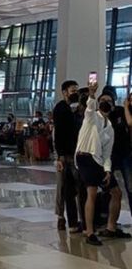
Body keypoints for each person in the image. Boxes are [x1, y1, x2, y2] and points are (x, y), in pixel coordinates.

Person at [75, 84, 131, 246]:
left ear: (113, 106)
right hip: (85, 157)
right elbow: (89, 107)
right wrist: (92, 94)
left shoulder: (110, 128)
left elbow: (107, 153)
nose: (106, 103)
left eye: (109, 101)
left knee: (116, 192)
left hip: (99, 161)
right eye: (103, 100)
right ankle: (90, 232)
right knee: (91, 192)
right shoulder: (91, 117)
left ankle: (111, 227)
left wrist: (107, 171)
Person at [53, 79, 83, 233]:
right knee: (62, 186)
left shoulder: (77, 109)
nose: (75, 93)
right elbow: (58, 134)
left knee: (74, 187)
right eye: (72, 90)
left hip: (76, 153)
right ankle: (60, 217)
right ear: (64, 92)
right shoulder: (61, 108)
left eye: (76, 90)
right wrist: (59, 156)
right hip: (65, 154)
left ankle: (76, 220)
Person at [107, 86, 132, 215]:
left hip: (125, 153)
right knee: (109, 188)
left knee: (130, 186)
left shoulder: (122, 112)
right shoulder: (100, 116)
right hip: (110, 155)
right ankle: (108, 219)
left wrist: (126, 107)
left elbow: (129, 123)